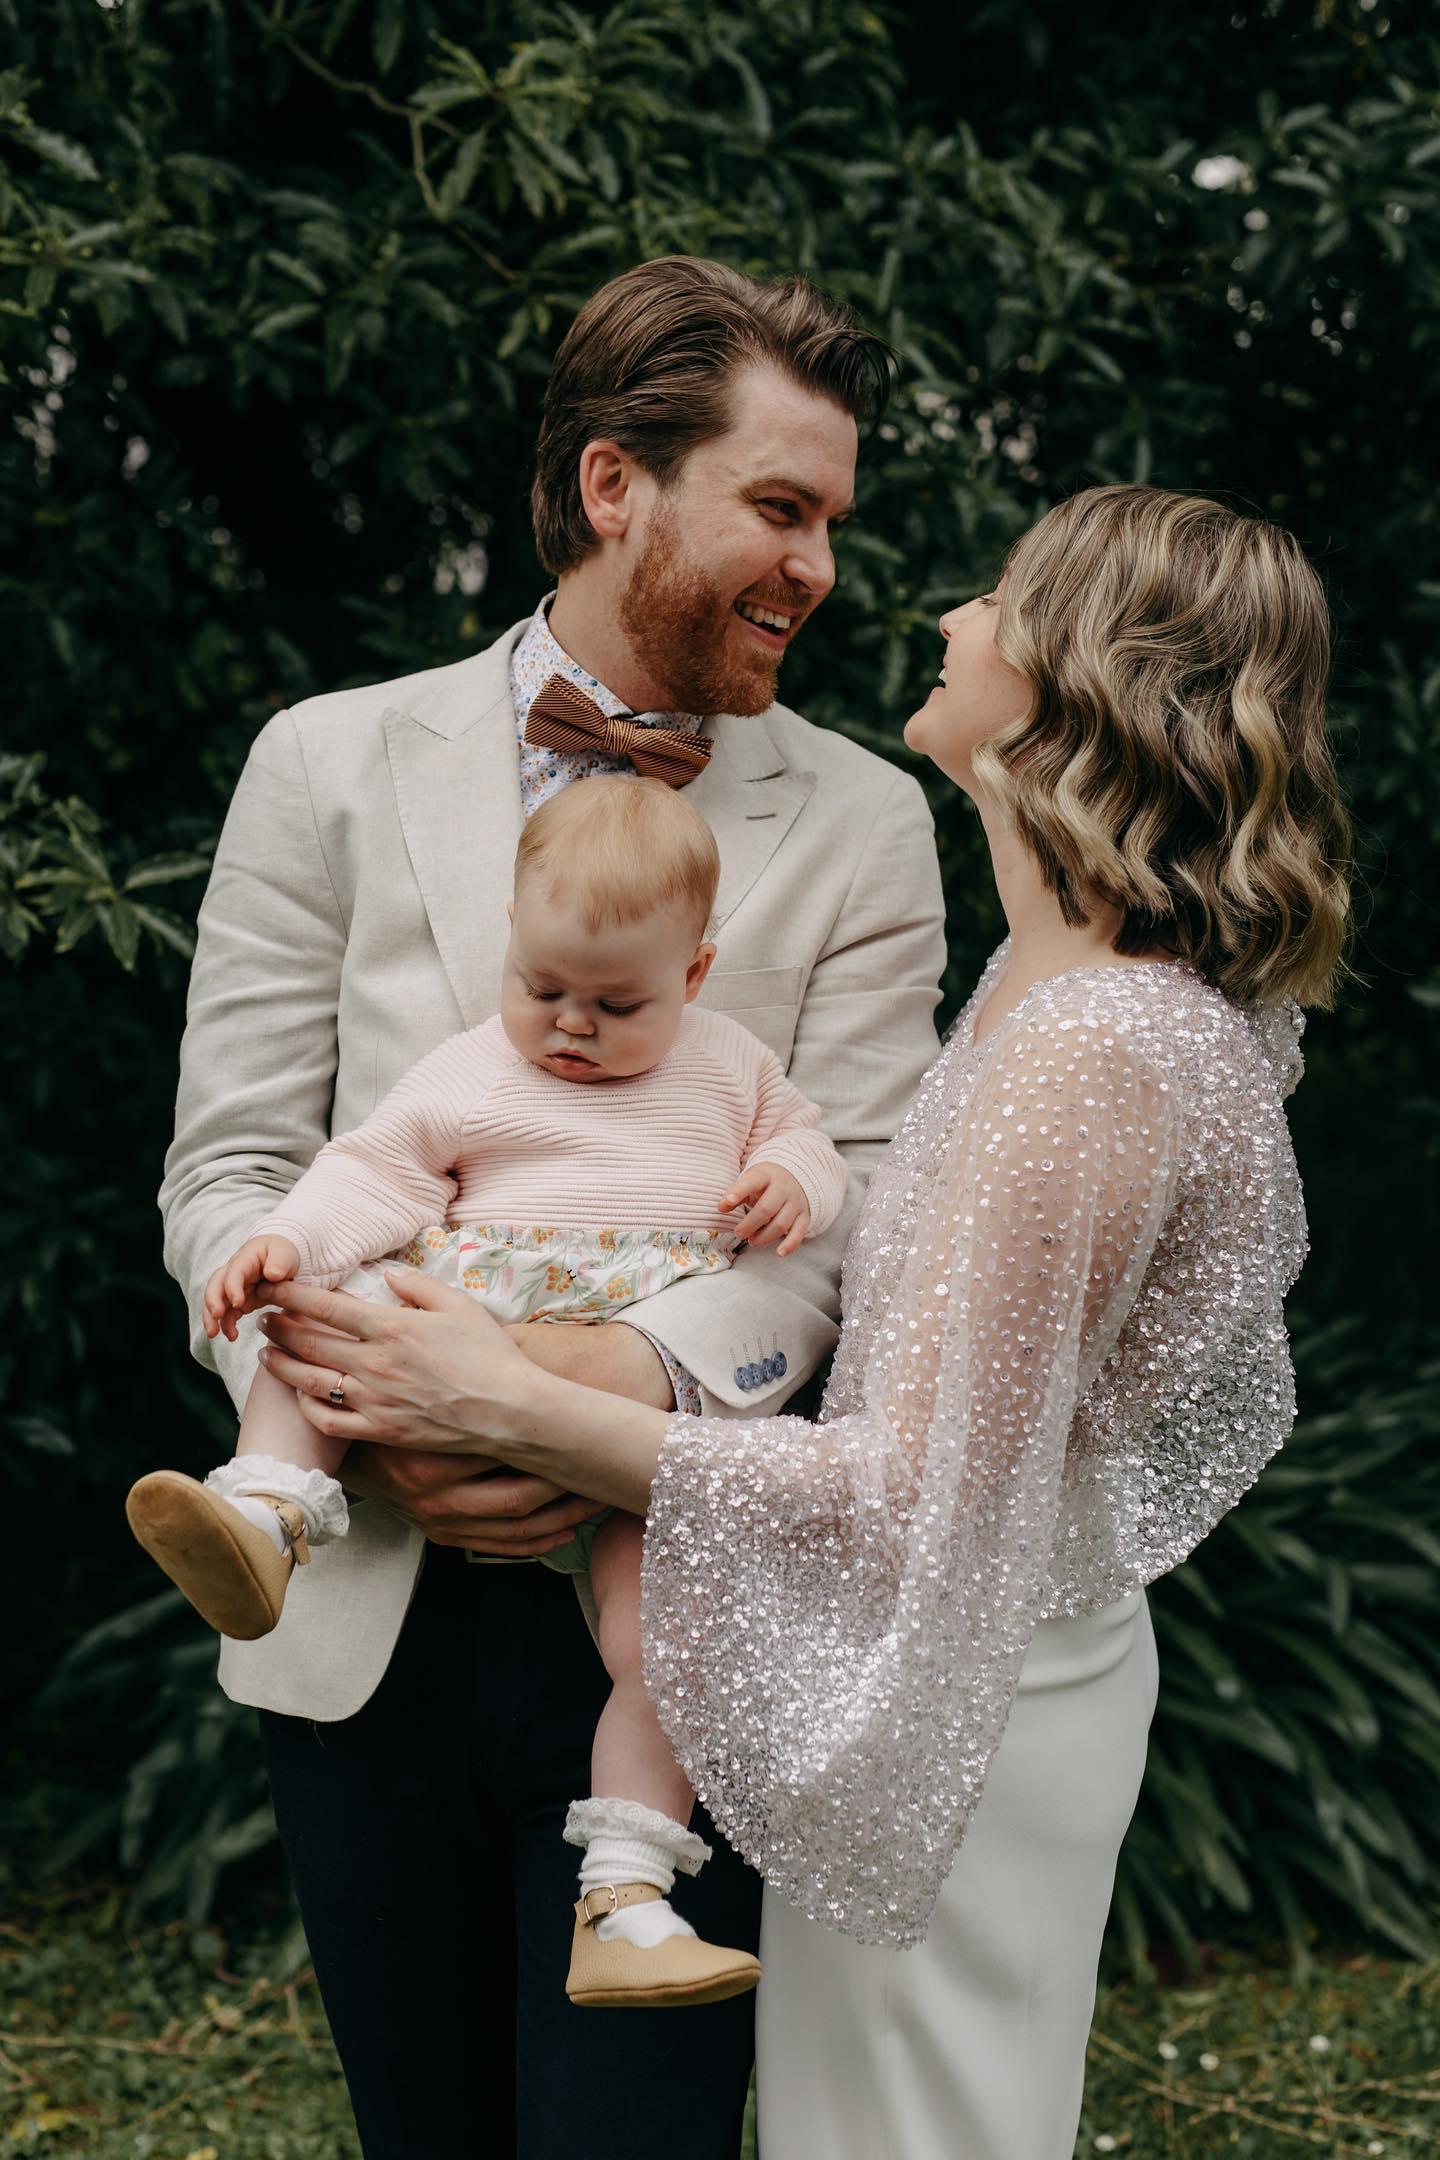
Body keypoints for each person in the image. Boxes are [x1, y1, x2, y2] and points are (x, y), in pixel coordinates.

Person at [255, 484, 1352, 2160]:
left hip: (965, 1690)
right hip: (936, 1664)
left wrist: (524, 1408)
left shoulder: (1092, 1052)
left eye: (996, 599)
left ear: (1082, 674)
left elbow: (911, 1492)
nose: (945, 618)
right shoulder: (1036, 986)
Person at [158, 255, 947, 2154]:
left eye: (832, 519)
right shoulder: (326, 762)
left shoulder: (865, 820)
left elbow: (860, 1214)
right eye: (779, 506)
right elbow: (230, 1167)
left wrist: (566, 1389)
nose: (817, 565)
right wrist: (353, 1378)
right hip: (357, 1604)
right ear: (617, 486)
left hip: (682, 1599)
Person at [134, 775, 849, 2009]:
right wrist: (286, 1248)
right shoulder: (471, 1070)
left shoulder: (733, 1065)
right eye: (540, 988)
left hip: (629, 1405)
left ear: (692, 976)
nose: (567, 1025)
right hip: (445, 1329)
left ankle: (626, 1895)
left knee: (664, 1646)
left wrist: (792, 1180)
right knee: (334, 1312)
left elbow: (814, 1145)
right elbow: (375, 1172)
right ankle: (265, 1514)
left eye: (613, 1004)